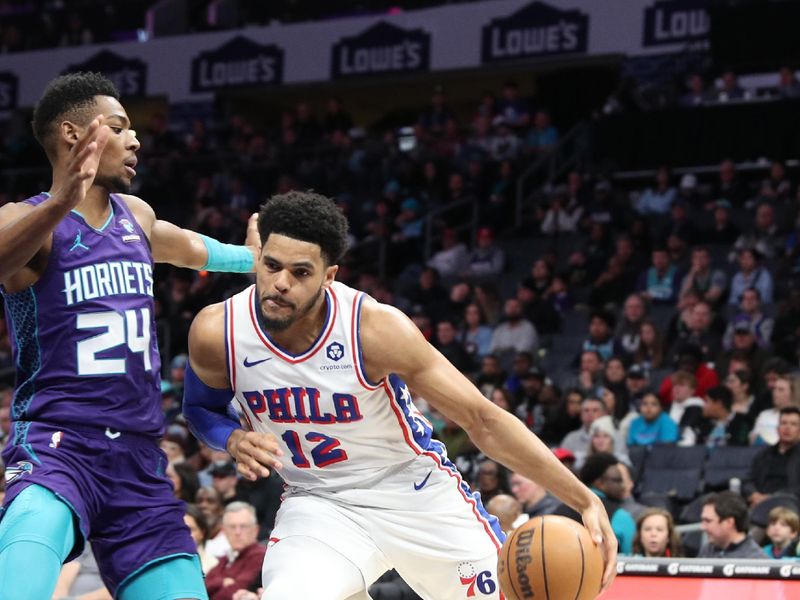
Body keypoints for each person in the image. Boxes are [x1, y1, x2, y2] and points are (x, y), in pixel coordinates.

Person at [182, 191, 617, 598]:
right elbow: (201, 409)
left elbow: (482, 419)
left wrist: (583, 497)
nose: (280, 283)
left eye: (300, 273)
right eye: (271, 266)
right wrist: (232, 439)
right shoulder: (216, 330)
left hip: (414, 489)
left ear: (329, 276)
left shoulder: (374, 328)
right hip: (318, 502)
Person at [0, 73, 260, 600]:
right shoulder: (24, 219)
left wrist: (253, 260)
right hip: (59, 444)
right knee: (25, 558)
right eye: (119, 127)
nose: (136, 140)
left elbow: (185, 246)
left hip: (140, 458)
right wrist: (59, 201)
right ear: (74, 135)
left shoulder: (135, 217)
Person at [204, 502, 266, 600]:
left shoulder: (260, 555)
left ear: (255, 530)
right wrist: (222, 582)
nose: (237, 532)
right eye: (232, 527)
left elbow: (233, 593)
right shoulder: (225, 558)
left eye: (243, 526)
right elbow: (203, 586)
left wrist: (216, 585)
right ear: (224, 531)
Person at [743, 407, 800, 506]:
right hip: (758, 503)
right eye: (784, 423)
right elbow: (748, 479)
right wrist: (753, 494)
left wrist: (772, 498)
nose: (787, 428)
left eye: (793, 424)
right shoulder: (764, 453)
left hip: (789, 506)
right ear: (777, 428)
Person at [698, 492, 766, 558]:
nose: (702, 527)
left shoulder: (754, 560)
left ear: (729, 522)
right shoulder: (707, 551)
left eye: (708, 521)